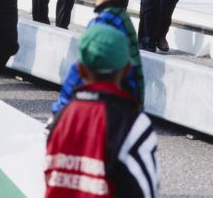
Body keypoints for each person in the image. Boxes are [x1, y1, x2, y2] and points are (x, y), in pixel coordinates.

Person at [45, 23, 158, 198]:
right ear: (126, 69)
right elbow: (146, 190)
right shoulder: (134, 123)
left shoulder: (59, 118)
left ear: (81, 70)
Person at [52, 0, 144, 113]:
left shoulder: (101, 25)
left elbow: (79, 72)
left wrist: (60, 110)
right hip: (124, 106)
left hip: (106, 109)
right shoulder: (122, 18)